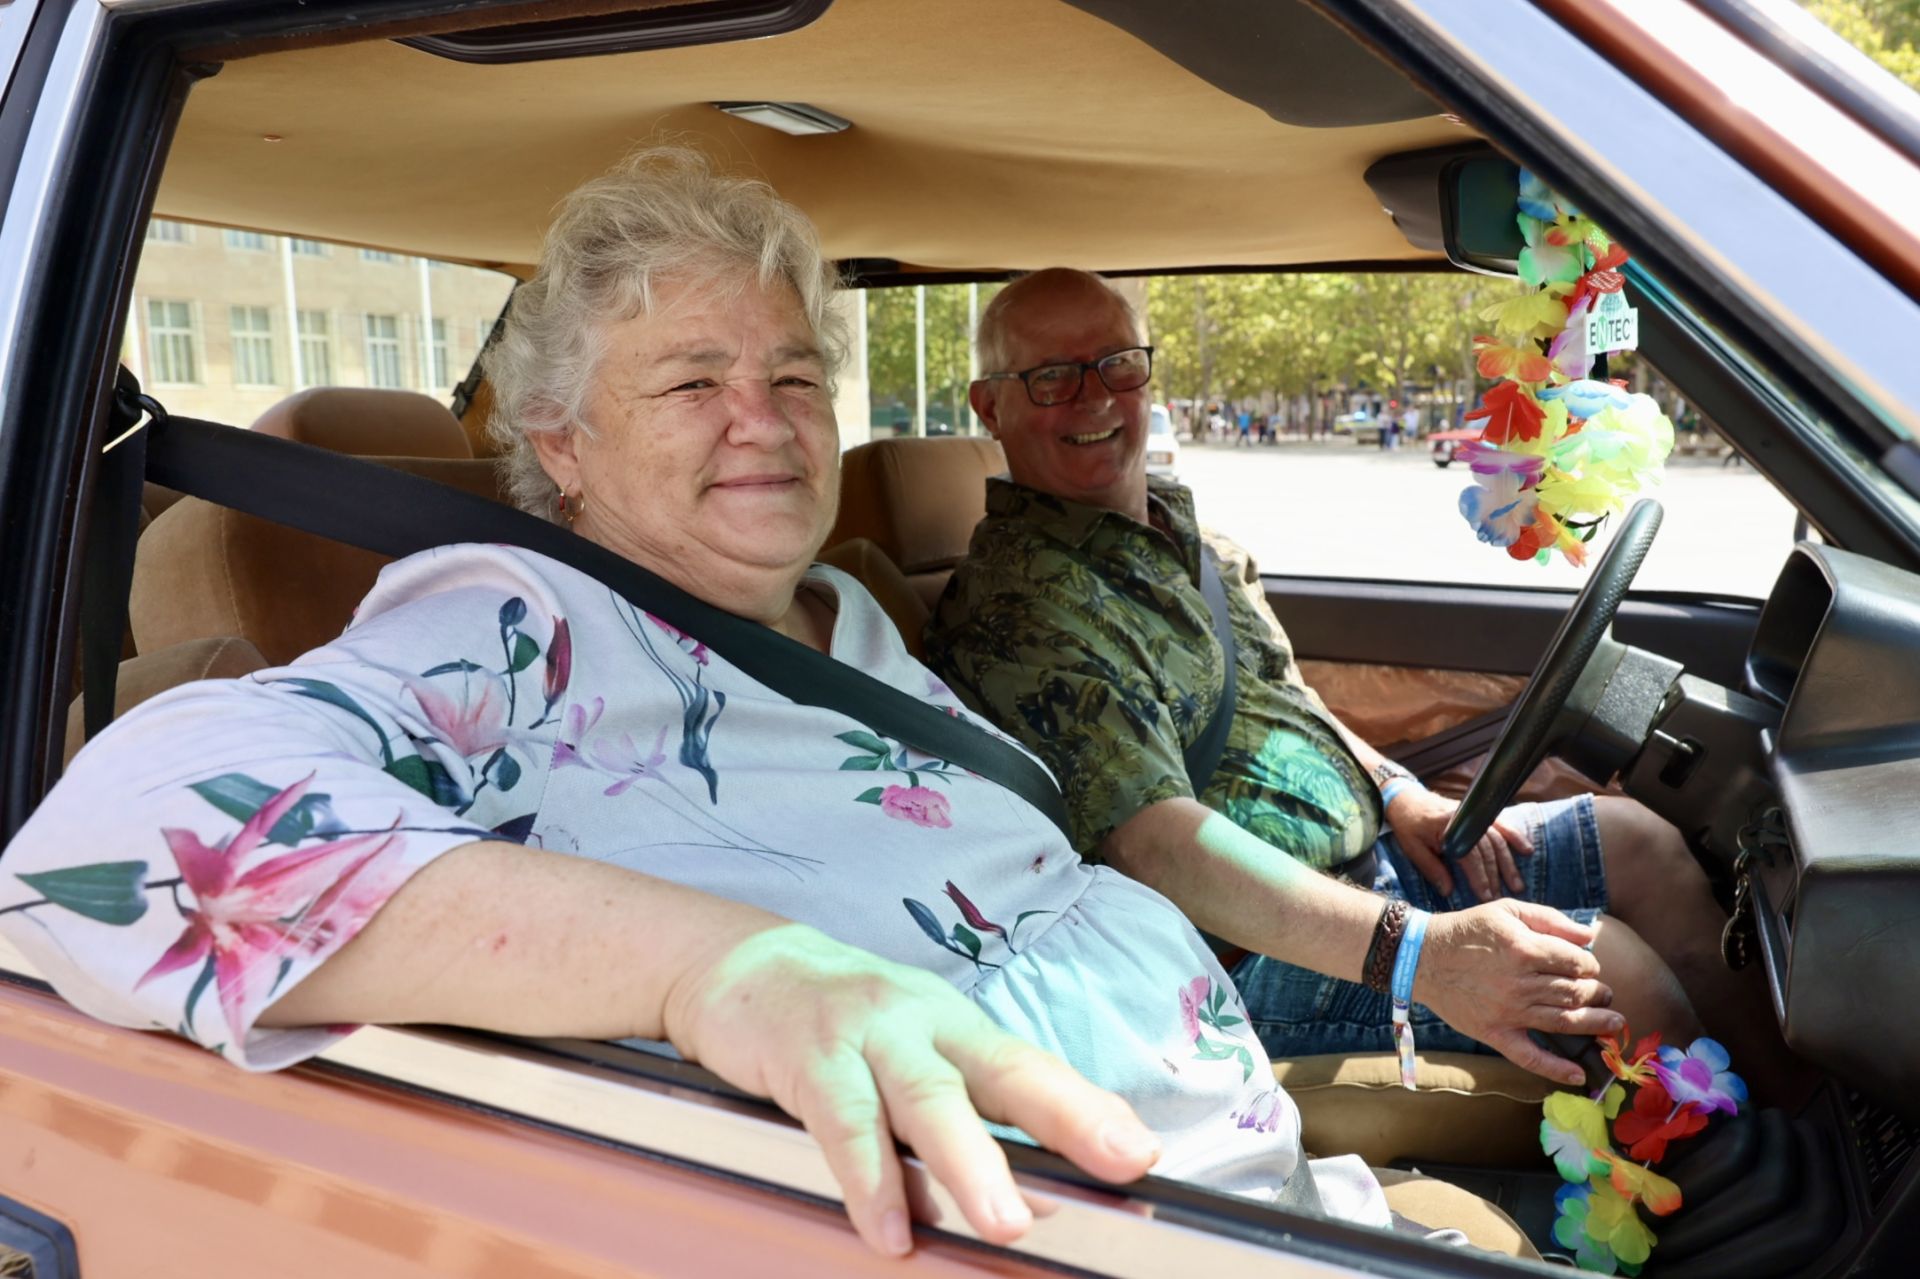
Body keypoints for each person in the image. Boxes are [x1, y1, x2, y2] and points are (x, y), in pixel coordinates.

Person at [0, 154, 1531, 1258]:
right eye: (690, 383)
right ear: (565, 444)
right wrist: (724, 969)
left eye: (797, 377)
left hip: (1237, 1180)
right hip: (1069, 1225)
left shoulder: (841, 612)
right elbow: (122, 835)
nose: (766, 422)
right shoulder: (522, 624)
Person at [925, 268, 1783, 1093]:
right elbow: (1154, 845)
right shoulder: (1021, 611)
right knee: (1605, 970)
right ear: (988, 406)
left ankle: (1809, 1130)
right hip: (1239, 960)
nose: (1098, 397)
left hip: (1367, 874)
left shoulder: (1189, 537)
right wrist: (1422, 951)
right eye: (1050, 377)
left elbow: (1288, 700)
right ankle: (1748, 1197)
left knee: (1636, 838)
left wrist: (1399, 790)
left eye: (1117, 363)